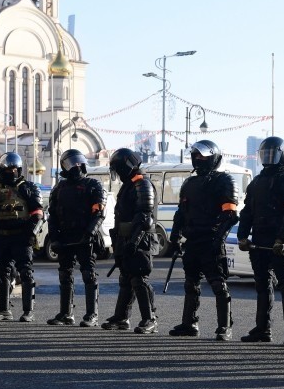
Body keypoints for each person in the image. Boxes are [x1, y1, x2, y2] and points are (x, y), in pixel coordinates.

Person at [168, 140, 239, 341]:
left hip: (211, 240)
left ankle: (225, 327)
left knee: (218, 283)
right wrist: (174, 237)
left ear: (213, 158)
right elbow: (181, 213)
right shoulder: (189, 183)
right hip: (192, 241)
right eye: (196, 155)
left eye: (203, 156)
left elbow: (230, 215)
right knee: (190, 283)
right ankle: (189, 323)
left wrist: (219, 238)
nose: (198, 159)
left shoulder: (224, 181)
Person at [236, 136, 284, 345]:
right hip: (260, 240)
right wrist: (242, 235)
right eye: (266, 154)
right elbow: (247, 211)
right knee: (262, 285)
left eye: (273, 154)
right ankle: (263, 329)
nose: (269, 158)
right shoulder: (257, 181)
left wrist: (283, 237)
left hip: (280, 241)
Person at [0, 152, 43, 322]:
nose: (11, 171)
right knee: (2, 273)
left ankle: (28, 311)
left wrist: (31, 233)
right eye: (8, 168)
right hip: (0, 237)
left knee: (26, 273)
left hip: (21, 237)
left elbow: (38, 214)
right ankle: (4, 310)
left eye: (14, 168)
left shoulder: (27, 187)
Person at [101, 148, 159, 334]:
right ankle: (121, 317)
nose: (117, 173)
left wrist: (134, 242)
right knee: (126, 278)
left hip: (140, 239)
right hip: (125, 238)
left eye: (118, 168)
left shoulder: (142, 184)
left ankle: (150, 319)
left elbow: (144, 217)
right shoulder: (130, 184)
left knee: (139, 278)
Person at [47, 149, 106, 327]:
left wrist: (90, 232)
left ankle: (91, 315)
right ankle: (66, 314)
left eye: (78, 161)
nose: (76, 165)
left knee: (89, 274)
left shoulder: (93, 185)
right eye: (71, 162)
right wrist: (54, 238)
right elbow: (53, 215)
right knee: (65, 275)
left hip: (85, 237)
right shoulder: (59, 187)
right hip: (65, 237)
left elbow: (99, 212)